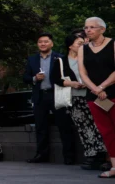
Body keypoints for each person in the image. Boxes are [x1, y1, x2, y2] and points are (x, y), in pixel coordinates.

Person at [50, 33, 107, 170]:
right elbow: (55, 78)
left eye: (84, 43)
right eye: (79, 44)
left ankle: (104, 156)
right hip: (75, 99)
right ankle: (92, 156)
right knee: (84, 128)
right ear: (70, 46)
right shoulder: (61, 61)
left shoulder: (89, 58)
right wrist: (71, 83)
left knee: (100, 125)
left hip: (94, 96)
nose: (83, 46)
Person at [23, 32, 76, 164]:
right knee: (40, 127)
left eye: (46, 41)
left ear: (51, 44)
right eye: (40, 42)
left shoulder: (60, 58)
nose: (43, 44)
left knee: (64, 126)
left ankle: (69, 156)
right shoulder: (32, 59)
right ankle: (41, 155)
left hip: (57, 95)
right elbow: (25, 77)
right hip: (40, 96)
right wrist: (35, 78)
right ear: (37, 44)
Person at [78, 17, 115, 179]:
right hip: (95, 97)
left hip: (112, 92)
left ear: (102, 29)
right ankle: (114, 167)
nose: (88, 30)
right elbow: (83, 73)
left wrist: (102, 87)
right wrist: (95, 89)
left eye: (92, 27)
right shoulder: (83, 49)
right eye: (86, 27)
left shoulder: (113, 44)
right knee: (106, 132)